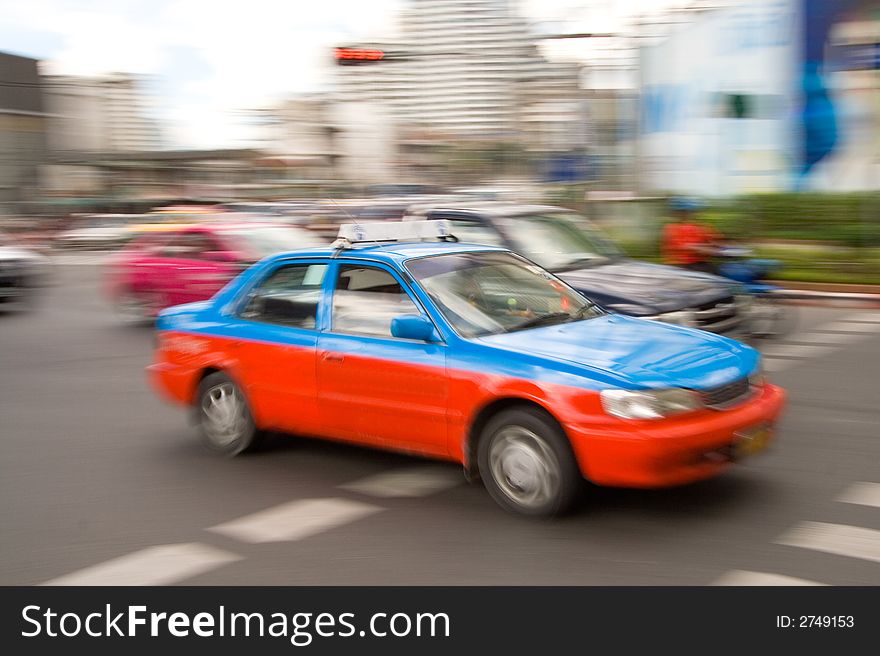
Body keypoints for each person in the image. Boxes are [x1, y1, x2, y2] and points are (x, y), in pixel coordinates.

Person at [661, 197, 721, 274]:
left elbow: (716, 240)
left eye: (689, 211)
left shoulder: (702, 227)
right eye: (682, 212)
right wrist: (708, 249)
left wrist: (719, 246)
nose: (686, 214)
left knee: (723, 272)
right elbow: (687, 246)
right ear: (676, 213)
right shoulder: (671, 228)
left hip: (700, 264)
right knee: (715, 277)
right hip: (681, 266)